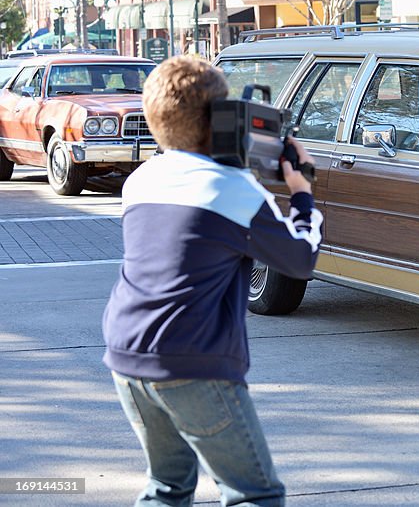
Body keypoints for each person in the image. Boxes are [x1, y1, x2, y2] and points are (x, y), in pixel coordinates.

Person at [102, 56, 322, 506]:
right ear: (221, 120)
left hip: (127, 356)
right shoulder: (232, 190)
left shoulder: (141, 180)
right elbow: (300, 258)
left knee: (168, 488)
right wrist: (302, 191)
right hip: (193, 362)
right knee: (255, 494)